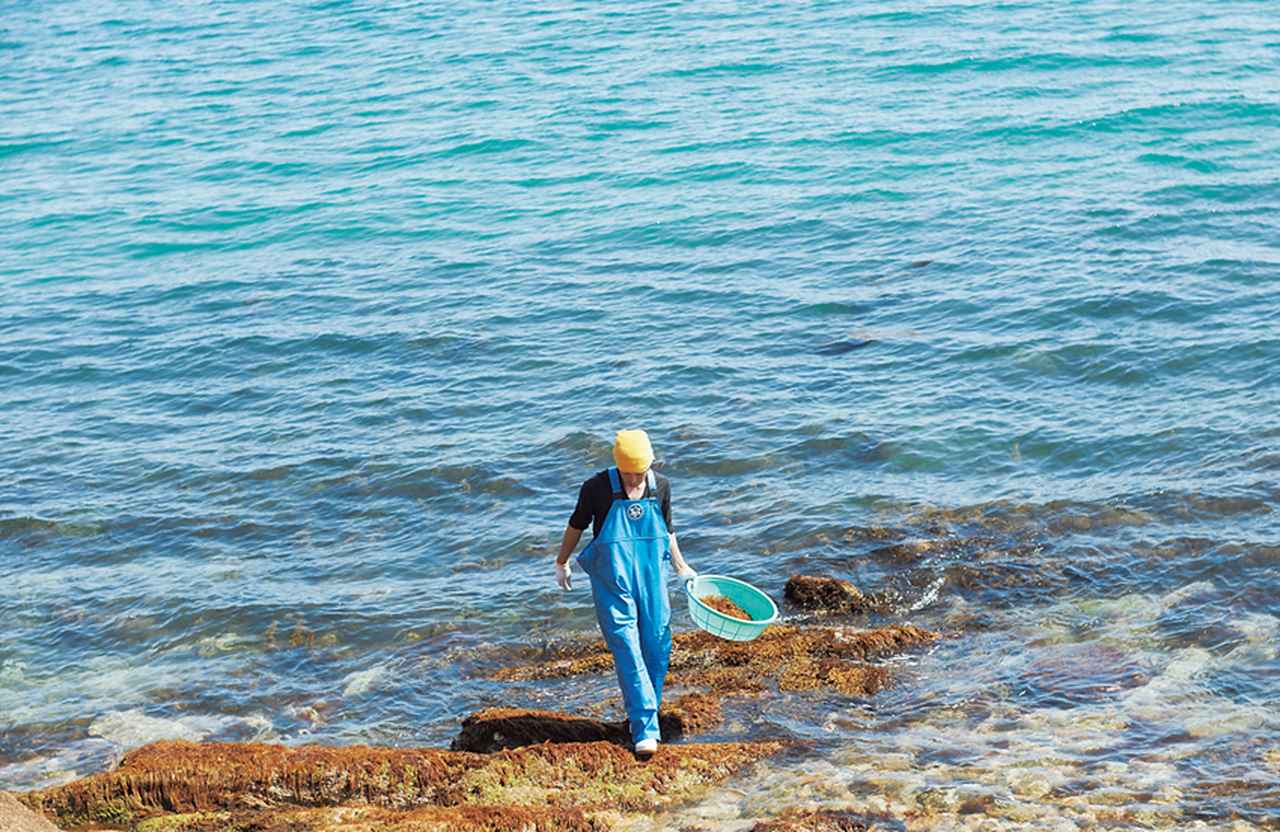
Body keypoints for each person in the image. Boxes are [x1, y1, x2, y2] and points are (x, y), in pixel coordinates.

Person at [554, 429, 697, 759]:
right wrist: (561, 562)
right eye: (629, 472)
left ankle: (644, 712)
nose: (635, 478)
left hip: (651, 578)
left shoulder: (660, 485)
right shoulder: (596, 488)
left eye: (641, 471)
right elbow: (576, 524)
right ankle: (646, 727)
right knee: (628, 647)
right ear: (618, 466)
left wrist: (681, 566)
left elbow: (667, 528)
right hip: (612, 580)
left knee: (657, 644)